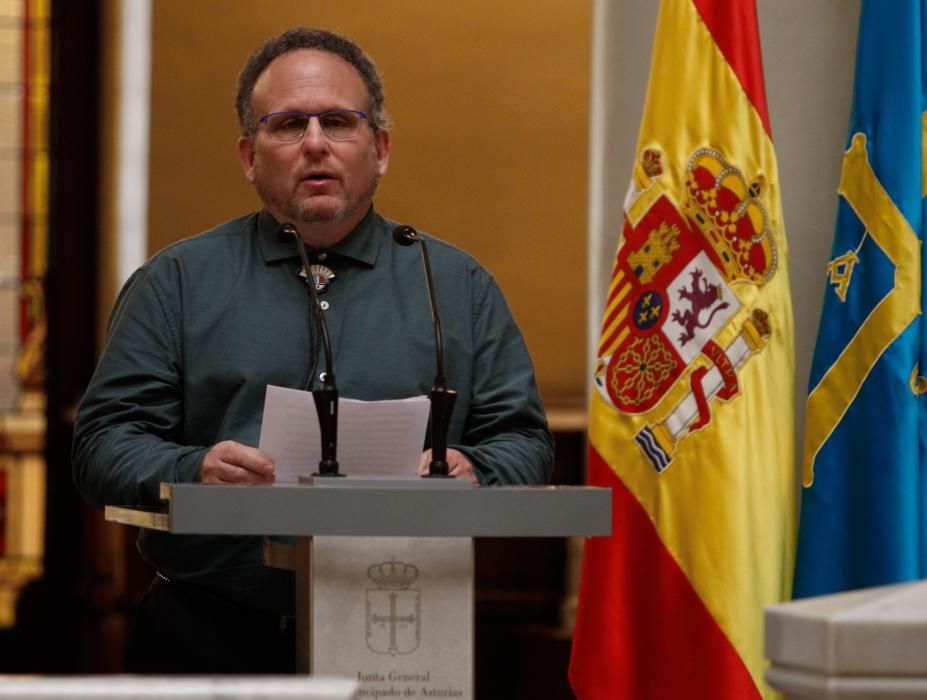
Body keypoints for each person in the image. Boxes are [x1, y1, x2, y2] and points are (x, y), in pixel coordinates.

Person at [72, 27, 553, 673]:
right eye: (289, 124)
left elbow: (522, 441)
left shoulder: (455, 285)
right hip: (209, 633)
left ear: (379, 148)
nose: (317, 143)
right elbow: (104, 443)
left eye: (339, 121)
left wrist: (474, 471)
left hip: (401, 632)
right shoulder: (178, 281)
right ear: (249, 154)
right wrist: (196, 470)